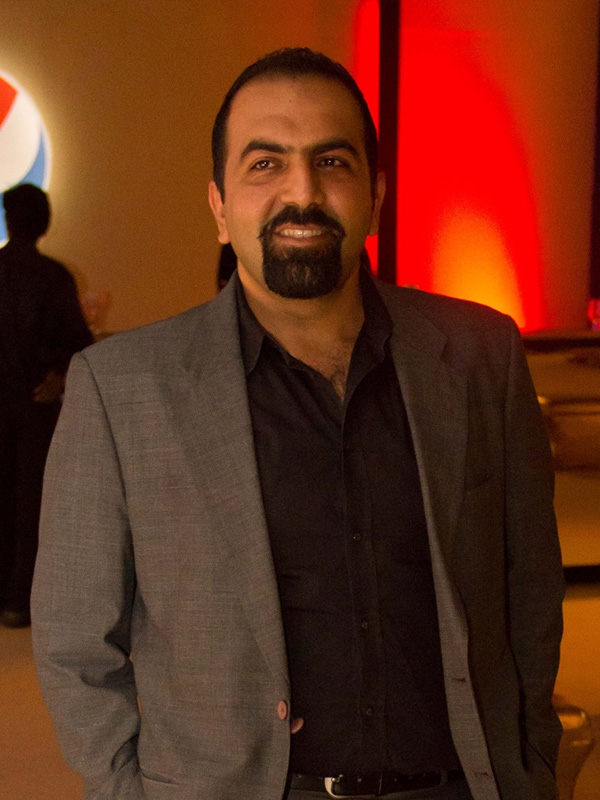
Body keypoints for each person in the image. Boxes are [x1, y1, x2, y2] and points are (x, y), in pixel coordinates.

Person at [32, 48, 564, 800]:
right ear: (220, 207)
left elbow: (531, 590)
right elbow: (75, 640)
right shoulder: (121, 390)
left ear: (375, 194)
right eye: (265, 164)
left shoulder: (482, 356)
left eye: (332, 161)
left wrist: (532, 764)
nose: (303, 193)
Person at [0, 183, 92, 628]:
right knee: (31, 498)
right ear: (44, 222)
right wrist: (57, 374)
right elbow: (78, 342)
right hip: (36, 403)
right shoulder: (53, 276)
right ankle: (19, 598)